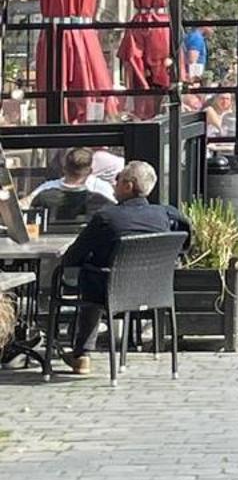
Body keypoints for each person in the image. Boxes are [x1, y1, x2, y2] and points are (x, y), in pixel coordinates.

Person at [58, 160, 191, 375]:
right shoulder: (166, 215)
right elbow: (185, 240)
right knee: (99, 277)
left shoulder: (106, 217)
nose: (113, 182)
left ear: (128, 186)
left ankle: (82, 354)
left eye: (118, 178)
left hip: (111, 290)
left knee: (90, 279)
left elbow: (72, 257)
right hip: (155, 290)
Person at [28, 145, 115, 205]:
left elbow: (26, 204)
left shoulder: (46, 188)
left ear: (64, 169)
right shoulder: (102, 189)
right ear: (90, 171)